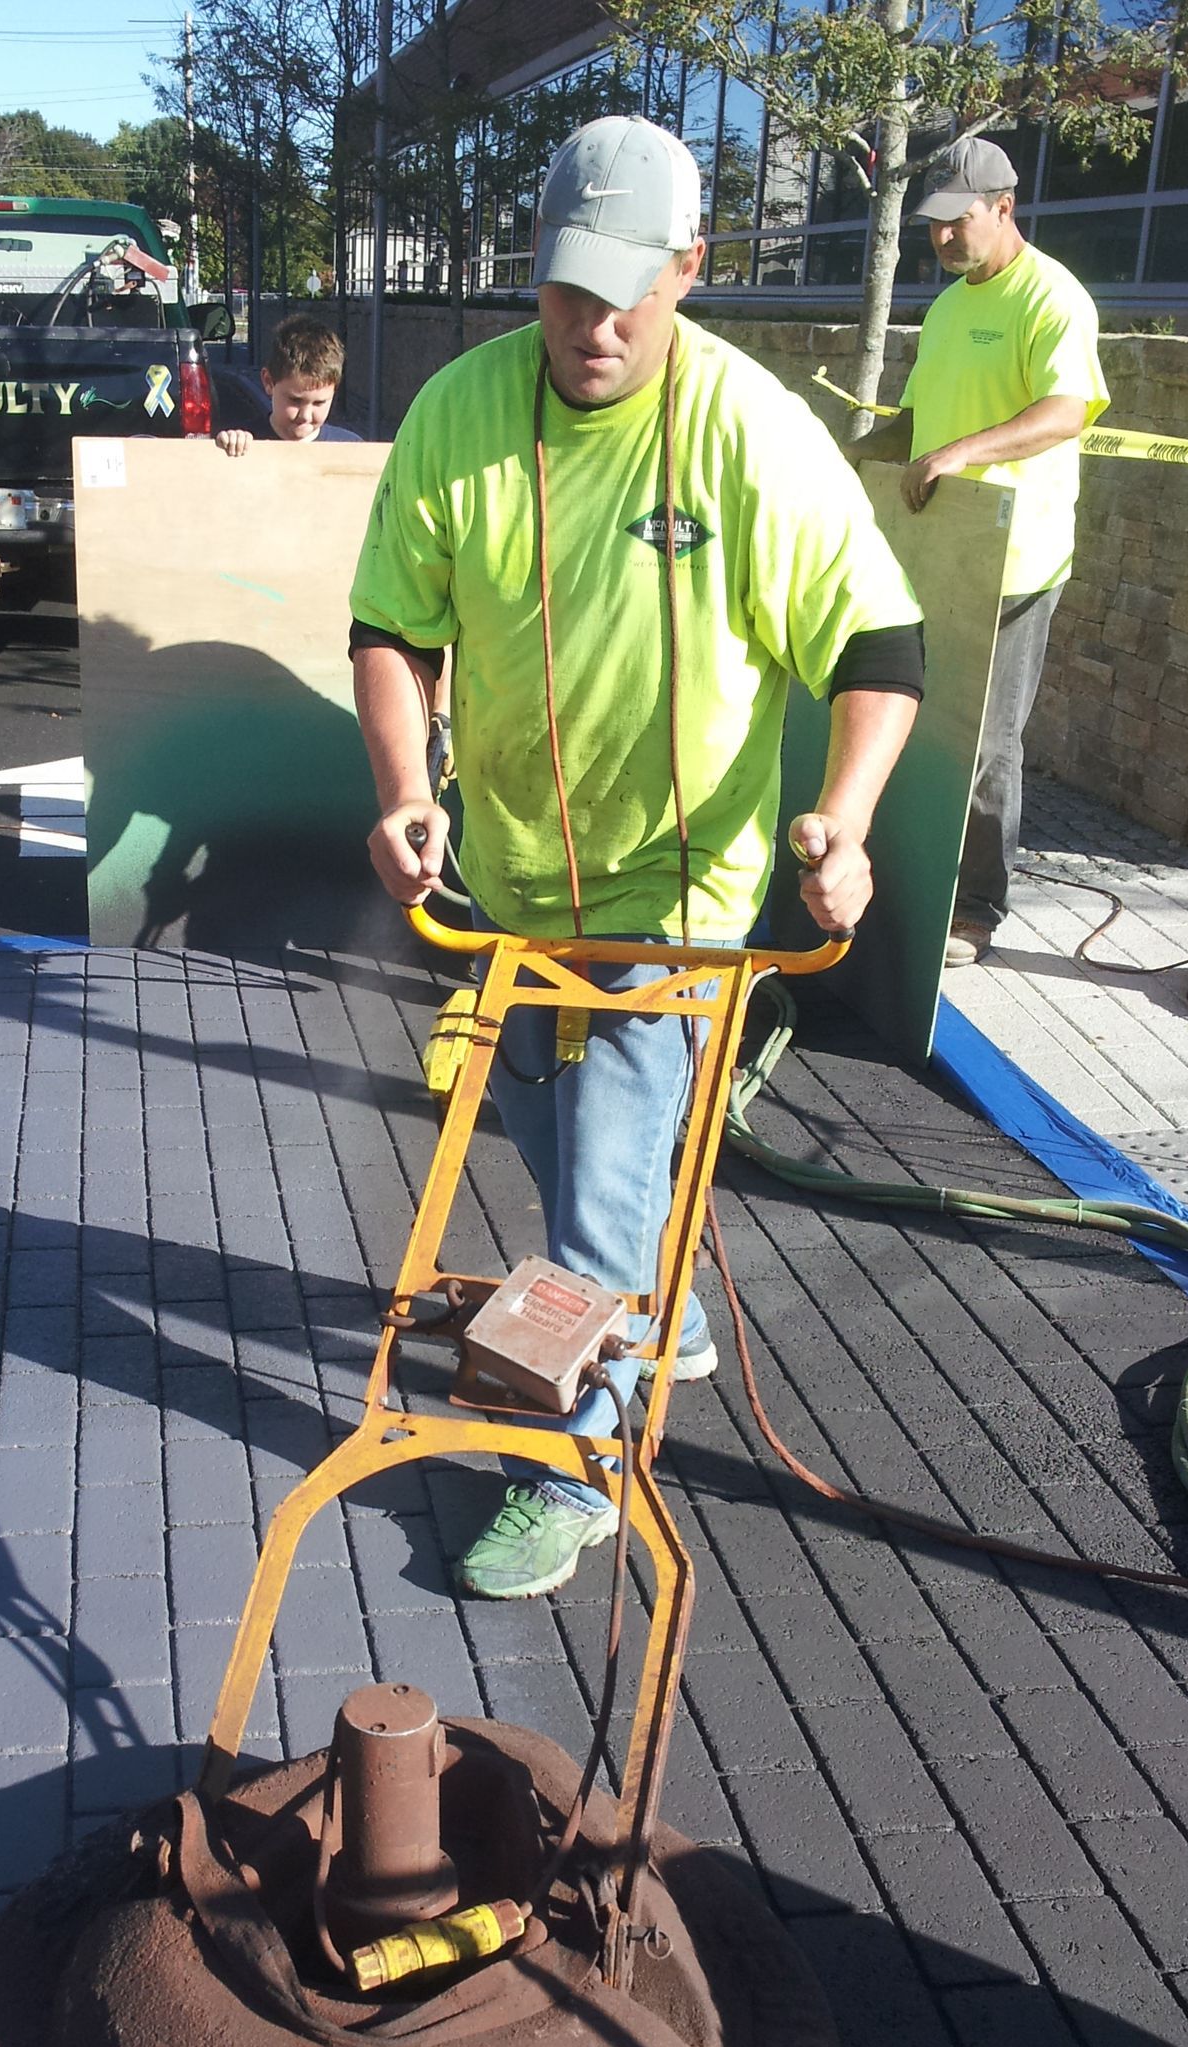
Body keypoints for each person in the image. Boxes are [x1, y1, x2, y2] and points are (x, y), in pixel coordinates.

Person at [348, 115, 925, 1602]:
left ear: (692, 268)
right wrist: (409, 784)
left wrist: (846, 815)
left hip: (680, 894)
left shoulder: (746, 429)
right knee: (545, 1149)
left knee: (598, 1188)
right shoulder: (461, 415)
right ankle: (654, 1309)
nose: (593, 327)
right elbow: (395, 628)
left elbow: (877, 639)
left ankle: (583, 1463)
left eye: (629, 294)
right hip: (519, 881)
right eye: (563, 294)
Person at [851, 136, 1109, 966]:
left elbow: (1069, 409)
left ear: (1004, 206)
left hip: (1018, 559)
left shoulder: (1052, 298)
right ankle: (913, 882)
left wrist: (963, 453)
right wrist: (854, 452)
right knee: (922, 722)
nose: (943, 241)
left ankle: (976, 910)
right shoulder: (951, 306)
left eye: (957, 223)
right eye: (933, 227)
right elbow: (918, 425)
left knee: (989, 742)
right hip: (942, 551)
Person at [215, 314, 361, 455]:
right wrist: (229, 445)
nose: (305, 416)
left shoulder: (352, 448)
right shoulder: (246, 443)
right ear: (268, 382)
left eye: (319, 403)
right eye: (295, 400)